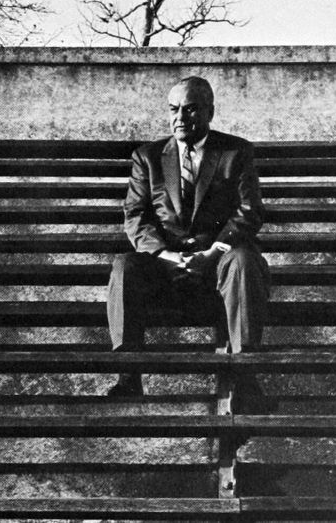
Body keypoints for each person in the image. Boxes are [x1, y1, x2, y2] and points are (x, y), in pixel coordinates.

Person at [105, 76, 271, 411]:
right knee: (124, 267)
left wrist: (213, 252)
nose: (180, 117)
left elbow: (249, 211)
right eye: (174, 109)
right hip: (164, 268)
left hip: (218, 266)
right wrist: (165, 255)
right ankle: (127, 375)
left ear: (210, 111)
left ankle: (245, 376)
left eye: (191, 109)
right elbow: (135, 216)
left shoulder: (235, 152)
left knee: (243, 260)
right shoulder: (148, 157)